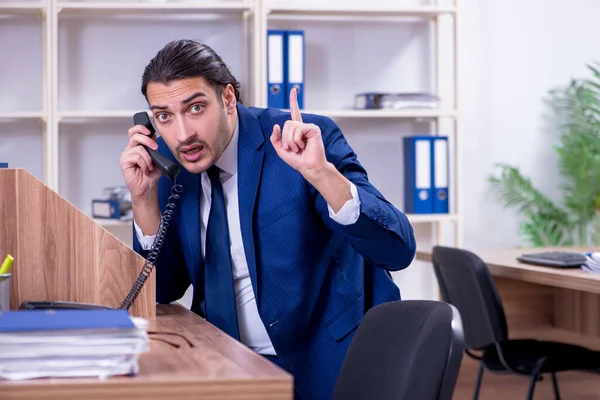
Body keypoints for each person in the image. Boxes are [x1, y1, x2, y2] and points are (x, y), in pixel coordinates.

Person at [120, 39, 416, 400]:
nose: (183, 134)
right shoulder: (170, 163)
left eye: (196, 108)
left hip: (319, 358)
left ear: (228, 99)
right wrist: (143, 198)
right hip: (217, 359)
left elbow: (397, 250)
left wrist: (322, 175)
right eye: (164, 116)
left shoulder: (300, 139)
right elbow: (163, 290)